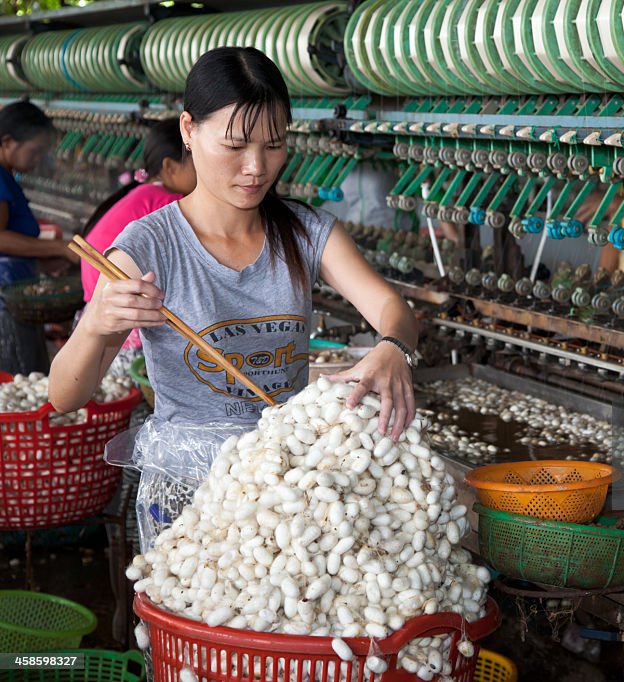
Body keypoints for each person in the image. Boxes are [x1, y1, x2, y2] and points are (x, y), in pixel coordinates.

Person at [49, 47, 419, 549]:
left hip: (287, 487)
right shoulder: (149, 247)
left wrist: (393, 347)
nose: (255, 168)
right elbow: (65, 397)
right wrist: (95, 324)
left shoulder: (307, 232)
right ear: (188, 130)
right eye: (235, 145)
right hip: (189, 498)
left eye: (274, 144)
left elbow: (392, 310)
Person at [76, 118, 197, 377]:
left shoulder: (142, 194)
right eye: (198, 165)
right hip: (126, 331)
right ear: (169, 167)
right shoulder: (168, 204)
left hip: (97, 317)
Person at [0, 101, 79, 374]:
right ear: (8, 142)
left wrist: (42, 259)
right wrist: (59, 246)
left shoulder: (7, 177)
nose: (37, 160)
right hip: (5, 301)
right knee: (19, 373)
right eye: (34, 152)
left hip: (15, 294)